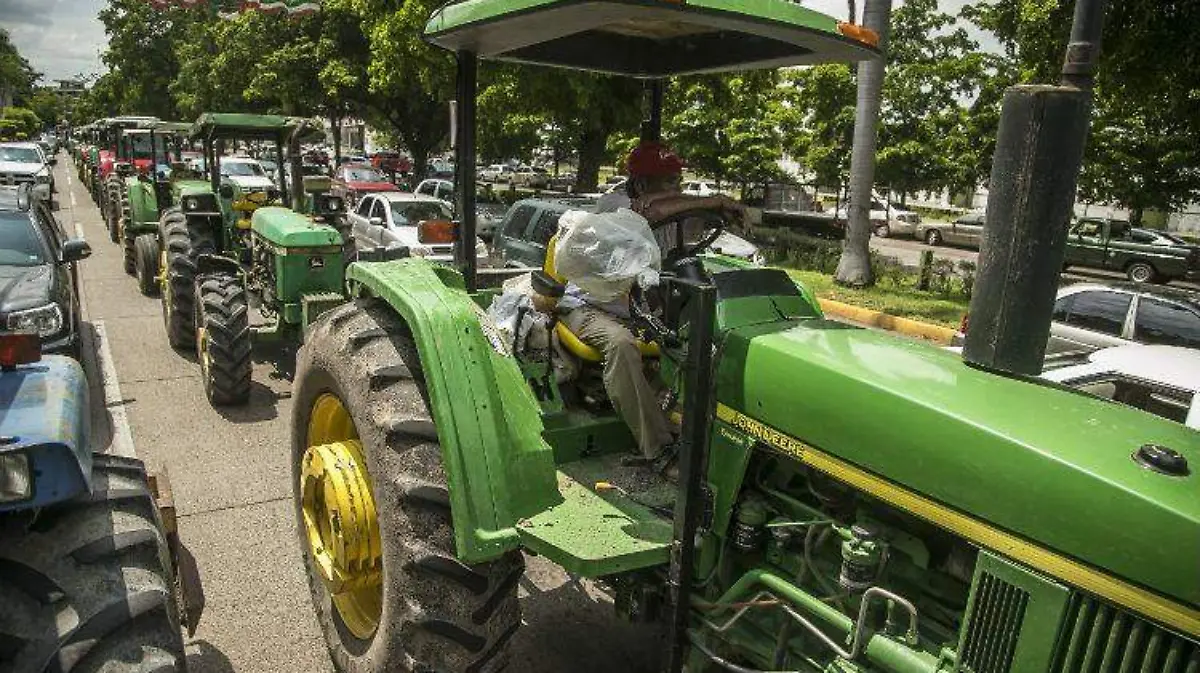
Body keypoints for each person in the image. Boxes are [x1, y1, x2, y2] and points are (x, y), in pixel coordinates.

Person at [558, 140, 743, 462]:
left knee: (711, 339)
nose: (679, 188)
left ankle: (713, 434)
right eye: (671, 182)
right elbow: (650, 210)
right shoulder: (612, 206)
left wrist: (721, 211)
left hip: (641, 309)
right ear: (642, 183)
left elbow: (685, 220)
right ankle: (659, 449)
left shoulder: (673, 213)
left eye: (679, 180)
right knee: (620, 344)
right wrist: (714, 198)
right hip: (591, 306)